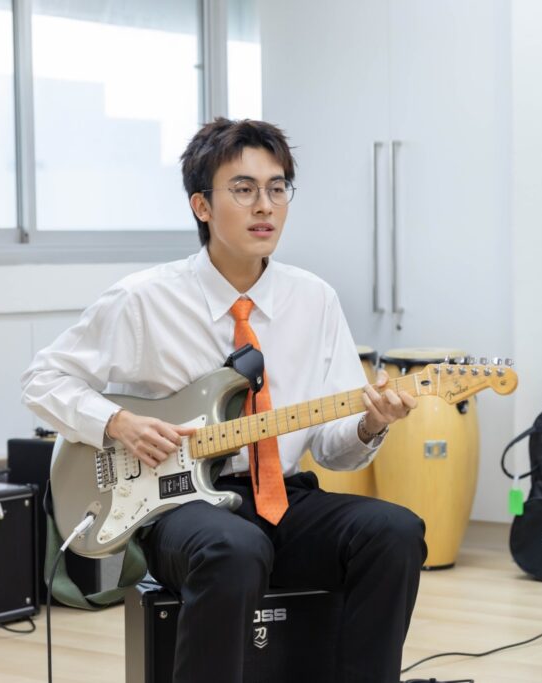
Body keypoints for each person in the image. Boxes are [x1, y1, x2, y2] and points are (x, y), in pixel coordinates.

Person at [22, 118, 426, 683]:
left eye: (277, 188)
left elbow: (332, 450)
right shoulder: (143, 300)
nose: (265, 205)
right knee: (232, 549)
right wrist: (117, 422)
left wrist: (368, 425)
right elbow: (41, 379)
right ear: (202, 206)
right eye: (243, 189)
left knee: (395, 532)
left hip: (284, 498)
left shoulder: (315, 299)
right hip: (178, 508)